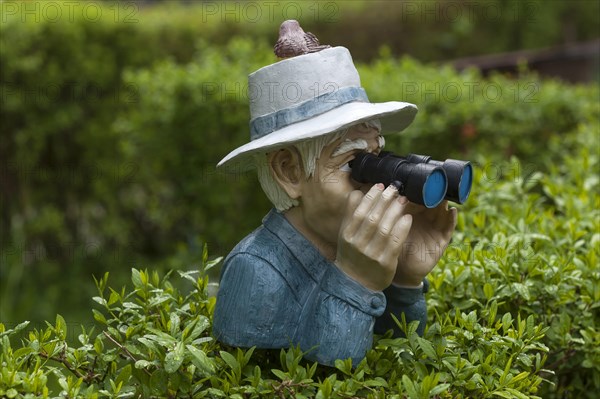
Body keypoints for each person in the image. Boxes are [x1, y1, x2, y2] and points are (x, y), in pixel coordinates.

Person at [213, 26, 456, 366]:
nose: (376, 185)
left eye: (379, 160)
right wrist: (355, 281)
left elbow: (398, 360)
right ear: (290, 171)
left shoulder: (348, 245)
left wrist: (404, 280)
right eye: (356, 165)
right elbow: (287, 385)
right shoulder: (257, 272)